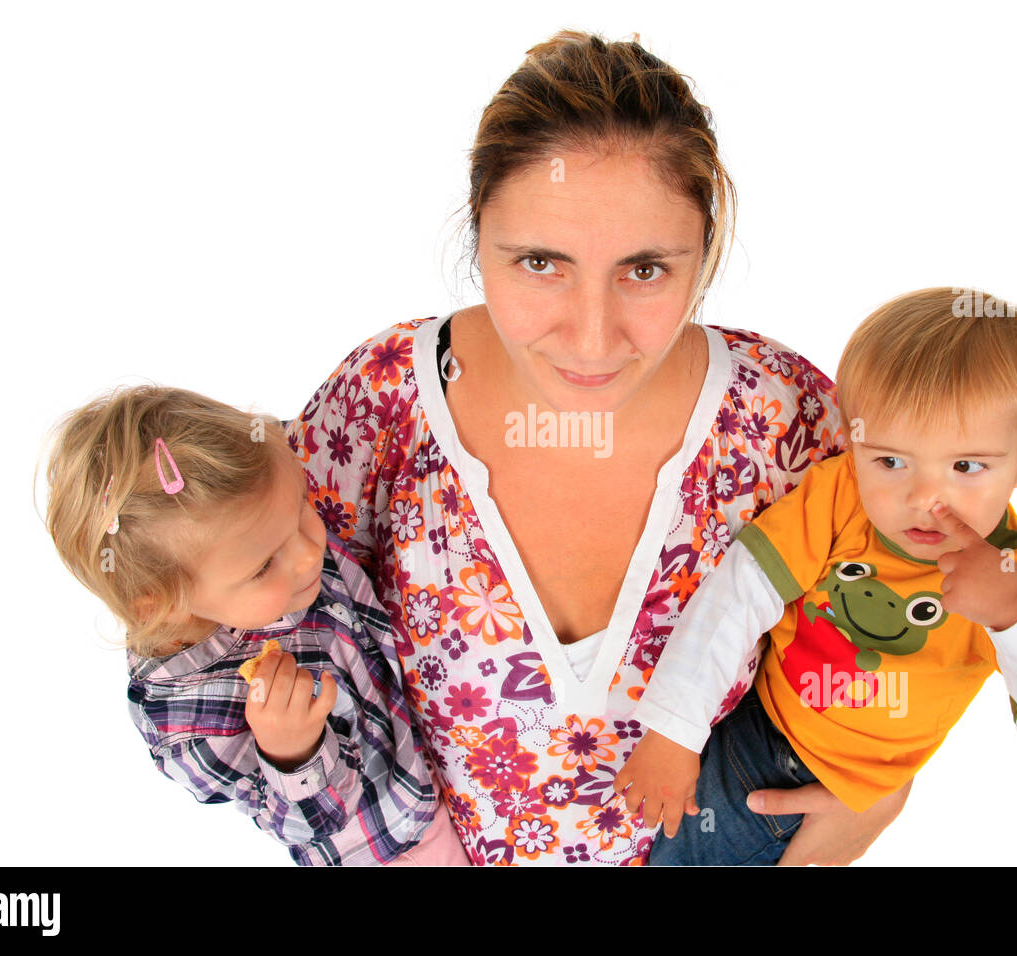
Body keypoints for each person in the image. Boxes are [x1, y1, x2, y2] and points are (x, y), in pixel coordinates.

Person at [286, 30, 909, 865]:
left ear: (705, 249)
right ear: (476, 238)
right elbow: (243, 626)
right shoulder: (384, 399)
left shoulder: (786, 417)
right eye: (540, 262)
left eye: (645, 269)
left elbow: (911, 609)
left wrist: (885, 785)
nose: (591, 335)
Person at [613, 288, 1017, 865]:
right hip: (755, 740)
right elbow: (740, 594)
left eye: (966, 466)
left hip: (845, 790)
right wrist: (673, 730)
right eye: (890, 460)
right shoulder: (839, 495)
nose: (924, 498)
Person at [44, 385, 468, 865]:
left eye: (301, 507)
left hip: (435, 747)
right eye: (265, 564)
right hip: (401, 841)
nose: (311, 553)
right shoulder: (187, 718)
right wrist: (292, 753)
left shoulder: (253, 503)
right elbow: (307, 825)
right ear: (165, 606)